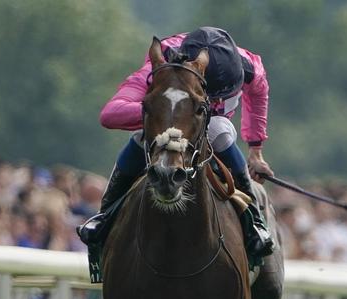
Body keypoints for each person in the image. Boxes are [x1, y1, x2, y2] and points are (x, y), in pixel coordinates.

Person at [80, 26, 275, 258]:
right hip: (171, 122)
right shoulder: (162, 60)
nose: (219, 100)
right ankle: (105, 215)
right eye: (213, 95)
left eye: (223, 95)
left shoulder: (250, 66)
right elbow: (110, 114)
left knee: (218, 130)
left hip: (207, 127)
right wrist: (164, 111)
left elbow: (258, 95)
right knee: (142, 135)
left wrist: (256, 150)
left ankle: (253, 221)